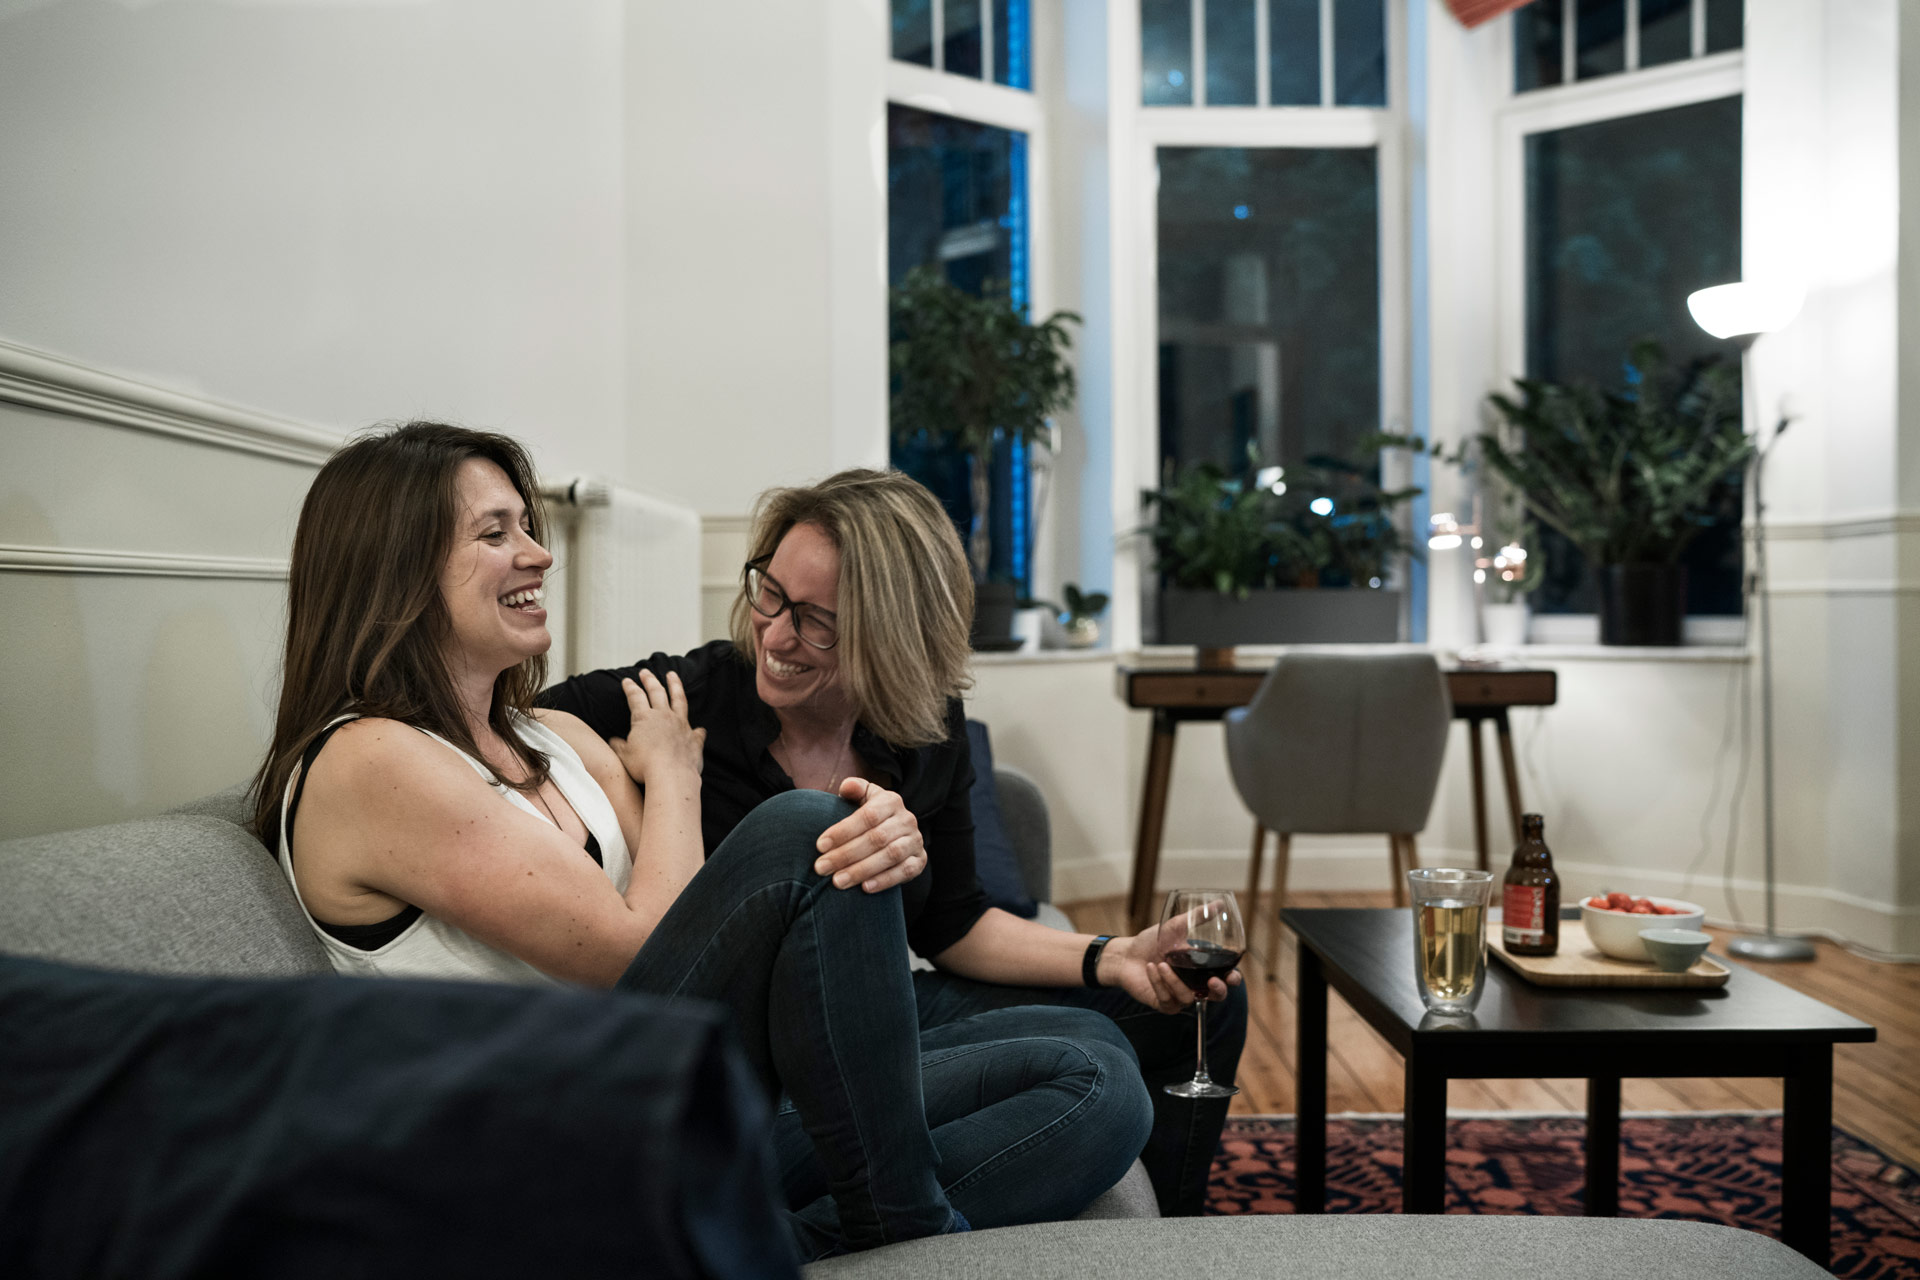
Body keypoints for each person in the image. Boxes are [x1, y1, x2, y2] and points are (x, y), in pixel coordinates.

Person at [249, 422, 1151, 1261]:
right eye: (496, 533)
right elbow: (637, 954)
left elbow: (692, 931)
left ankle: (785, 1244)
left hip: (689, 1104)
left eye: (527, 525)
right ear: (397, 571)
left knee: (1099, 1076)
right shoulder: (371, 758)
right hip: (556, 1141)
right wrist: (677, 777)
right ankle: (899, 1228)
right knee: (812, 826)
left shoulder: (550, 738)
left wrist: (892, 838)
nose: (540, 553)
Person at [539, 466, 1248, 1216]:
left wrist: (1115, 955)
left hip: (879, 1009)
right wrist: (660, 784)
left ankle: (1168, 1242)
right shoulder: (688, 699)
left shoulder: (926, 725)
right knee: (1092, 1075)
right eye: (769, 593)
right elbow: (515, 723)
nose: (774, 633)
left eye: (816, 620)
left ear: (894, 634)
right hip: (759, 1047)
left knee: (1187, 1008)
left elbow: (954, 925)